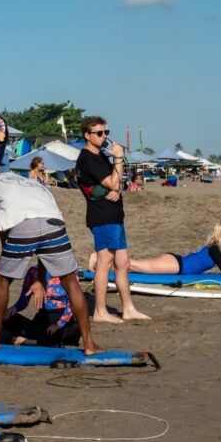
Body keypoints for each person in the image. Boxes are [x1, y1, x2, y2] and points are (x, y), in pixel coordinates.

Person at [0, 170, 103, 354]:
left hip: (23, 225)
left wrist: (4, 259)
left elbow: (3, 222)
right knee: (71, 283)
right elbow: (44, 240)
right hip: (54, 224)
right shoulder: (35, 184)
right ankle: (89, 345)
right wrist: (40, 277)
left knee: (2, 280)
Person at [75, 116, 148, 323]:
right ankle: (100, 311)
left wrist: (117, 187)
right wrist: (118, 159)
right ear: (87, 135)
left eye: (106, 132)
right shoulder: (88, 158)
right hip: (102, 216)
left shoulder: (100, 155)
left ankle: (128, 308)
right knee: (105, 261)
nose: (104, 136)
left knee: (123, 263)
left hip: (114, 215)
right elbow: (113, 182)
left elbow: (116, 182)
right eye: (99, 133)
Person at [124, 222, 221, 275]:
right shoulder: (213, 248)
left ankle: (113, 265)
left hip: (175, 262)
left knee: (133, 265)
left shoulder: (214, 247)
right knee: (132, 265)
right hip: (176, 266)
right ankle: (111, 264)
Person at [3, 264, 80, 346]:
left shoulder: (68, 271)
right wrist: (15, 308)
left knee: (74, 328)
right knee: (4, 317)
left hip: (62, 318)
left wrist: (59, 324)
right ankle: (43, 341)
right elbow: (23, 300)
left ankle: (31, 341)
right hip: (42, 318)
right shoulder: (33, 271)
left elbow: (72, 303)